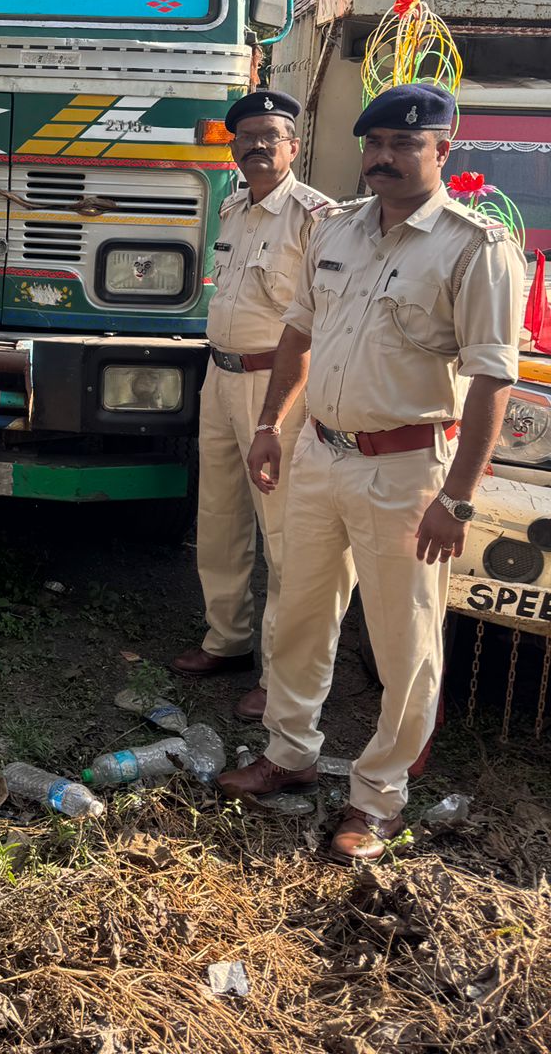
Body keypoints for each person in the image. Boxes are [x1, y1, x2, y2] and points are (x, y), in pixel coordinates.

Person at [217, 82, 524, 862]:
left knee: (403, 641)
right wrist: (270, 426)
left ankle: (378, 797)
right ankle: (288, 753)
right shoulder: (338, 228)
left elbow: (493, 379)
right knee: (301, 613)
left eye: (405, 145)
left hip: (406, 470)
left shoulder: (474, 248)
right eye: (375, 144)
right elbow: (298, 332)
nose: (384, 158)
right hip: (319, 453)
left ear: (443, 152)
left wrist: (458, 498)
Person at [170, 91, 331, 719]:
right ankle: (227, 639)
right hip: (220, 374)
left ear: (294, 146)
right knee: (218, 516)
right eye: (247, 136)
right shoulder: (232, 208)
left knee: (285, 534)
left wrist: (283, 409)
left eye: (272, 135)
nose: (258, 145)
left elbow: (321, 319)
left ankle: (280, 674)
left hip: (277, 387)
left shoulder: (316, 217)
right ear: (233, 146)